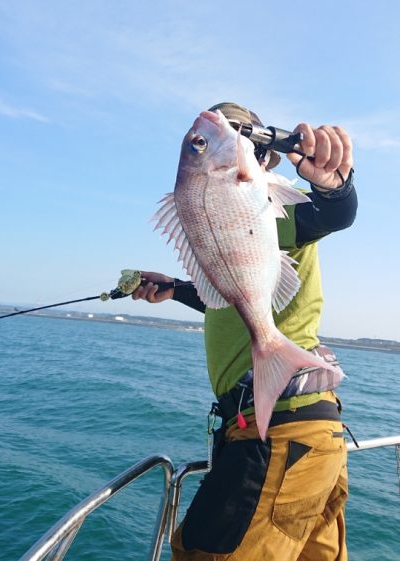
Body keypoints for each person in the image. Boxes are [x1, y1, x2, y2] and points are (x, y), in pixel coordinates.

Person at [133, 102, 357, 561]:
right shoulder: (228, 216)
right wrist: (175, 289)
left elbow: (334, 214)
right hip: (302, 432)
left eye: (235, 128)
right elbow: (231, 294)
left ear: (260, 151)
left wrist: (334, 186)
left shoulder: (274, 205)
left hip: (277, 434)